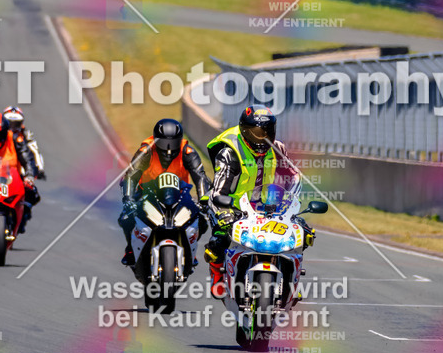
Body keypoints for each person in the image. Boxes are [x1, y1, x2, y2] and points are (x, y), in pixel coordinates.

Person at [204, 106, 313, 298]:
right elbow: (219, 190)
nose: (262, 138)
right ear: (245, 130)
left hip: (264, 208)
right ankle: (217, 275)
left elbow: (293, 177)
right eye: (256, 132)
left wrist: (291, 205)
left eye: (267, 132)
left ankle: (290, 282)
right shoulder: (230, 152)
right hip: (229, 205)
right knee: (221, 237)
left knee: (301, 234)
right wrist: (225, 211)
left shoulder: (277, 148)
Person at [118, 118, 210, 266]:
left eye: (173, 143)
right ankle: (130, 249)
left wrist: (204, 201)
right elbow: (131, 175)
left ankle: (189, 250)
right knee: (125, 218)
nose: (168, 149)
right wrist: (128, 199)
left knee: (202, 221)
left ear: (179, 140)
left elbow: (200, 177)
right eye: (164, 143)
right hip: (146, 193)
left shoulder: (188, 152)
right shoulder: (146, 151)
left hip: (180, 195)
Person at [3, 105, 46, 179]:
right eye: (9, 123)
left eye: (15, 124)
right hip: (1, 167)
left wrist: (40, 169)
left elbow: (34, 150)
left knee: (29, 185)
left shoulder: (25, 134)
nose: (12, 127)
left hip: (20, 170)